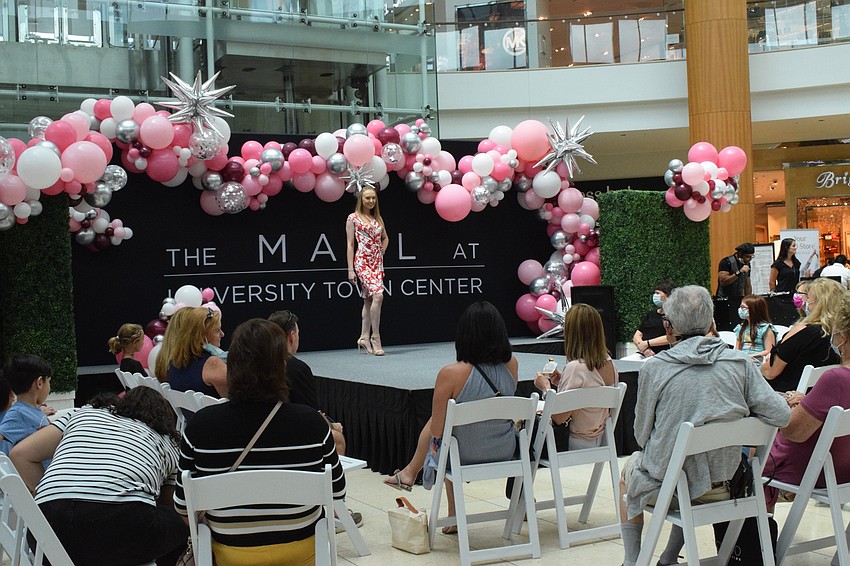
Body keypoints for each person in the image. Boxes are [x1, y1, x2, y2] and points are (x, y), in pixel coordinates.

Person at [619, 286, 791, 566]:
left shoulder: (654, 368)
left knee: (635, 470)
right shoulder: (740, 365)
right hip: (728, 485)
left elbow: (641, 435)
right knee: (688, 463)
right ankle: (669, 557)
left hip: (675, 488)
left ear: (668, 327)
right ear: (712, 324)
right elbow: (781, 415)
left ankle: (631, 561)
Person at [173, 318, 347, 565]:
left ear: (231, 365)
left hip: (230, 554)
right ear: (281, 367)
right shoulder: (312, 424)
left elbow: (183, 507)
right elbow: (337, 491)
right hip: (302, 551)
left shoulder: (201, 426)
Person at [10, 387, 187, 566]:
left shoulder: (85, 413)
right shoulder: (169, 441)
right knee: (182, 526)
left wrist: (55, 494)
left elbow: (20, 454)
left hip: (46, 531)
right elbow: (170, 505)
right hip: (120, 530)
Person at [384, 301, 519, 533]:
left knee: (447, 435)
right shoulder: (512, 364)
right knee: (450, 433)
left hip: (462, 454)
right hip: (505, 450)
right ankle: (410, 473)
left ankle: (440, 501)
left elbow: (437, 432)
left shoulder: (450, 373)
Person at [763, 292, 850, 512]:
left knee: (750, 458)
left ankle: (757, 538)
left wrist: (792, 407)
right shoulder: (836, 380)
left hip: (822, 470)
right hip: (843, 466)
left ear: (844, 336)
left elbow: (794, 432)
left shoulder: (836, 379)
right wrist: (811, 402)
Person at [534, 303, 619, 450]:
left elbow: (558, 418)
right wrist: (562, 381)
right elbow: (590, 389)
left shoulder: (575, 368)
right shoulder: (610, 364)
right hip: (600, 437)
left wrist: (546, 389)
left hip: (572, 440)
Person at [268, 309, 346, 455]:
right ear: (292, 336)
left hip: (261, 428)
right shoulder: (297, 369)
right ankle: (331, 478)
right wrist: (332, 426)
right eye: (297, 334)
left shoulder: (259, 362)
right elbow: (311, 415)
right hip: (288, 433)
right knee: (336, 438)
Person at [761, 277, 844, 392]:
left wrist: (764, 364)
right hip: (823, 393)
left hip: (786, 395)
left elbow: (770, 372)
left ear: (819, 303)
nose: (805, 303)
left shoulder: (803, 331)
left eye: (808, 298)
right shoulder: (841, 334)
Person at [346, 187, 389, 356]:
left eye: (373, 198)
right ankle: (375, 337)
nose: (371, 201)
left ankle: (364, 336)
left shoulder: (377, 218)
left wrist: (382, 249)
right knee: (378, 295)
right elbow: (350, 245)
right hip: (362, 262)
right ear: (361, 200)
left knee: (369, 300)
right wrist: (350, 269)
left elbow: (386, 237)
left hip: (377, 263)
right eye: (367, 198)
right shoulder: (353, 218)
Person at [154, 306, 227, 397]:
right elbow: (238, 400)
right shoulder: (213, 364)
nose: (222, 334)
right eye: (217, 330)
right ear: (202, 336)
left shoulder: (173, 364)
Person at [0, 354, 51, 456]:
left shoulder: (28, 411)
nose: (50, 387)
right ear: (39, 382)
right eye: (49, 382)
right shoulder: (17, 413)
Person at [630, 280, 676, 358]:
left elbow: (672, 337)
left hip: (662, 355)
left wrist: (647, 343)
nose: (655, 296)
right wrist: (644, 349)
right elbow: (637, 335)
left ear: (668, 296)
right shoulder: (651, 315)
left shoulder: (675, 316)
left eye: (658, 293)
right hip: (644, 353)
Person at [734, 294, 776, 360]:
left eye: (743, 307)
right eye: (740, 307)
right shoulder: (740, 328)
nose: (740, 310)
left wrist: (750, 356)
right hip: (742, 362)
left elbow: (769, 350)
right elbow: (737, 349)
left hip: (758, 362)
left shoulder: (765, 329)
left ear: (754, 310)